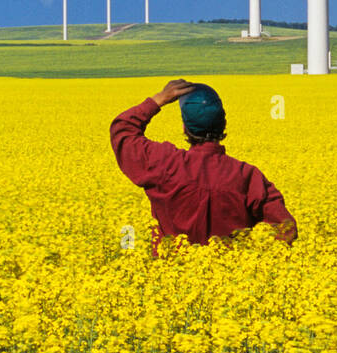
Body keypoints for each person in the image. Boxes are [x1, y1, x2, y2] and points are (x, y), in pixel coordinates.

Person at [110, 79, 297, 257]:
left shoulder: (164, 163)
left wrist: (159, 99)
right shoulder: (247, 177)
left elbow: (123, 130)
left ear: (184, 128)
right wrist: (257, 261)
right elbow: (286, 226)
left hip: (169, 272)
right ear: (224, 124)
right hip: (231, 276)